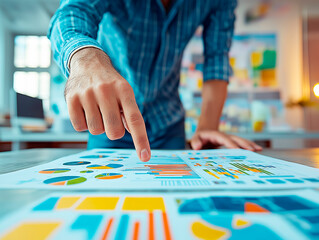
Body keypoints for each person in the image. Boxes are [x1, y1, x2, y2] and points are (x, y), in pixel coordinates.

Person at [48, 0, 262, 162]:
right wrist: (86, 57)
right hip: (110, 119)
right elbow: (72, 12)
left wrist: (207, 127)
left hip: (168, 124)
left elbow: (217, 58)